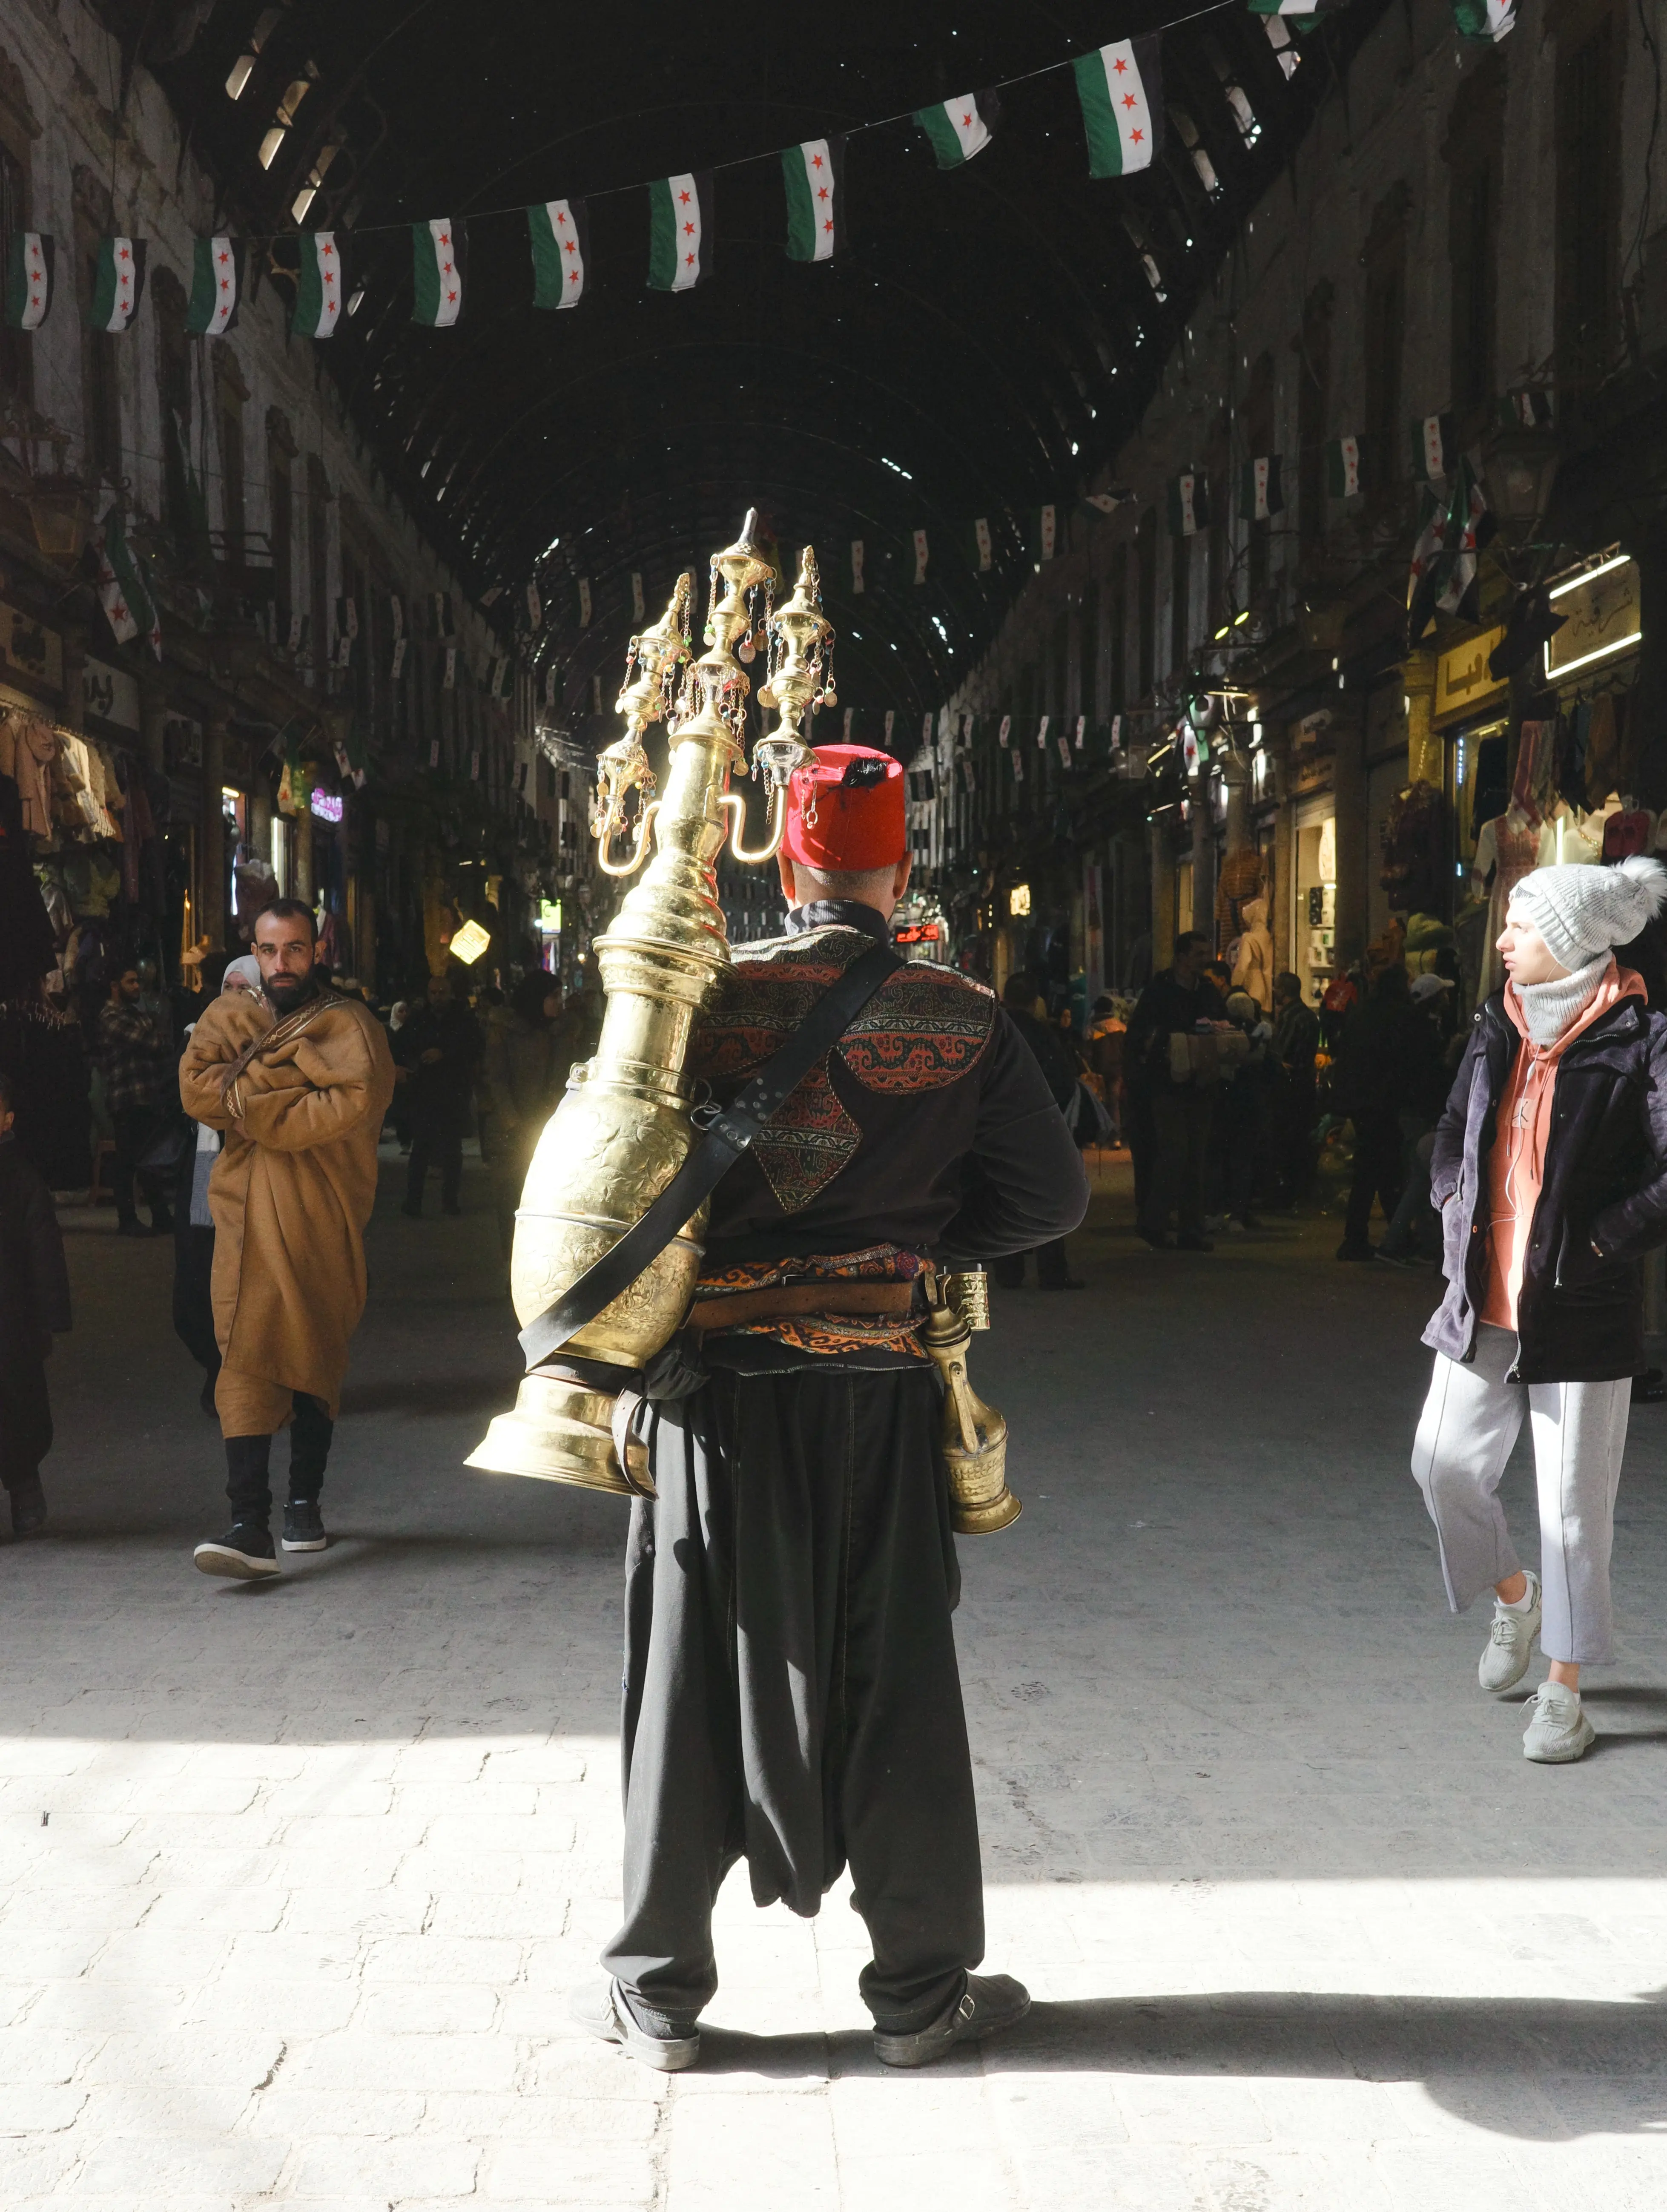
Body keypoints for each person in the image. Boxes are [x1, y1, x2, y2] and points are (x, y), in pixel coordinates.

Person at [573, 743, 1088, 2074]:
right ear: (897, 862)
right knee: (898, 1675)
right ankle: (920, 1994)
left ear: (785, 858)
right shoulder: (963, 1015)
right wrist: (913, 1240)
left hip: (718, 1394)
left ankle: (661, 1993)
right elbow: (1051, 1202)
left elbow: (617, 1169)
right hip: (877, 1389)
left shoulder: (712, 1001)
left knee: (687, 1673)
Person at [1412, 859, 1667, 1763]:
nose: (1503, 939)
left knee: (1571, 1512)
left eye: (1519, 925)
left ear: (1564, 942)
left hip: (1580, 1310)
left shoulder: (1641, 1037)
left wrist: (1601, 1242)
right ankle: (1513, 1596)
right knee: (1440, 1465)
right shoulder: (1495, 1022)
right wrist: (1451, 1191)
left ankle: (1564, 1689)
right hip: (1481, 1295)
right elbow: (1452, 1123)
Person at [179, 900, 396, 1579]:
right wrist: (289, 1087)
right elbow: (196, 1088)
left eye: (296, 950)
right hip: (243, 1221)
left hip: (320, 1219)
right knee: (241, 1354)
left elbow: (350, 1104)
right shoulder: (226, 1018)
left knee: (312, 1348)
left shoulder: (349, 1026)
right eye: (270, 951)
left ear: (318, 949)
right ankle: (248, 1522)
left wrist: (251, 1096)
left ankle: (304, 1504)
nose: (282, 964)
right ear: (254, 950)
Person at [174, 955, 261, 1417]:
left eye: (245, 989)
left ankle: (241, 1383)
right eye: (228, 987)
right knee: (192, 1293)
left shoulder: (277, 1043)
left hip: (255, 1176)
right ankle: (219, 1368)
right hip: (205, 1168)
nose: (235, 998)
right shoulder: (198, 1039)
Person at [0, 1068, 71, 1537]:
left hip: (12, 1324)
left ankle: (24, 1484)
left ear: (6, 1121)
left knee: (18, 1412)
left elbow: (43, 1249)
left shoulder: (20, 1179)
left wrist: (49, 1319)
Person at [1329, 963, 1440, 1262]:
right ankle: (1391, 1238)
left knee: (1371, 1169)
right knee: (1385, 1169)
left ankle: (1370, 1237)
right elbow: (1405, 1062)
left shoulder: (1365, 1012)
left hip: (1362, 1103)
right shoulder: (1400, 1017)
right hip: (1385, 1103)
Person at [1125, 929, 1227, 1251]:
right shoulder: (1159, 992)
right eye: (1198, 954)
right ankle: (1153, 1223)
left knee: (1195, 1156)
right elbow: (1140, 1036)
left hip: (1200, 1084)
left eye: (1205, 953)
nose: (1204, 960)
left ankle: (1190, 1229)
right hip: (1166, 1086)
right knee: (1174, 1153)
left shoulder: (1207, 991)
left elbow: (1219, 1025)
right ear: (1181, 958)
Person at [990, 973, 1085, 1290]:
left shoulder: (993, 1029)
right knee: (1046, 1198)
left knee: (1001, 1197)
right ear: (1034, 1002)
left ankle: (1008, 1271)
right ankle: (1052, 1271)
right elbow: (1062, 1078)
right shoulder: (1042, 1033)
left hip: (996, 1126)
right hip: (1038, 1125)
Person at [483, 972, 562, 1257]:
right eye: (553, 997)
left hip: (551, 1129)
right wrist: (513, 1123)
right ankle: (514, 1271)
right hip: (515, 1133)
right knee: (513, 1204)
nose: (558, 1003)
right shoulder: (506, 1033)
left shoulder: (561, 1032)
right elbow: (496, 1080)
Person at [395, 973, 484, 1218]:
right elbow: (403, 1046)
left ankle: (450, 1201)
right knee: (421, 1148)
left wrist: (445, 1053)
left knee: (451, 1149)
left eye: (442, 992)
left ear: (451, 993)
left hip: (453, 1090)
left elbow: (473, 1048)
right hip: (425, 1091)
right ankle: (414, 1201)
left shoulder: (463, 1020)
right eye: (433, 993)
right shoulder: (419, 1020)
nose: (437, 998)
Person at [96, 962, 174, 1237]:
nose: (137, 987)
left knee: (149, 1157)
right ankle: (127, 1218)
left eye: (137, 981)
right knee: (128, 1159)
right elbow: (152, 1042)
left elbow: (161, 1041)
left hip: (146, 1094)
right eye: (130, 982)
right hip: (127, 1096)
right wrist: (155, 1036)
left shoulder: (134, 1013)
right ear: (115, 986)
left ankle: (160, 1215)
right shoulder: (111, 1015)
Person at [1269, 971, 1319, 1207]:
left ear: (1284, 991)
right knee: (1301, 1138)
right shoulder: (1309, 1016)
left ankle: (1286, 1194)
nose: (1274, 992)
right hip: (1306, 1083)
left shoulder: (1290, 1018)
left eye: (1276, 988)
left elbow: (1283, 1053)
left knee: (1286, 1139)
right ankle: (1302, 1190)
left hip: (1290, 1085)